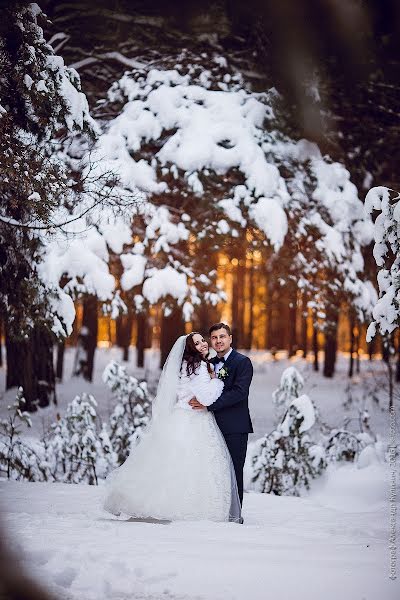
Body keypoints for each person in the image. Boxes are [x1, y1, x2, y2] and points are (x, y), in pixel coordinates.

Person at [102, 332, 241, 523]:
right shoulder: (198, 366)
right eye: (197, 343)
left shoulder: (186, 366)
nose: (203, 345)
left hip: (180, 416)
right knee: (195, 465)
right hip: (194, 419)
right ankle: (192, 509)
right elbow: (207, 397)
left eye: (202, 341)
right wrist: (217, 380)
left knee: (173, 464)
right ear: (190, 349)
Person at [189, 323, 253, 509]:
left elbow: (239, 392)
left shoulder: (242, 362)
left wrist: (208, 405)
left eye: (222, 336)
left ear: (230, 338)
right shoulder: (207, 363)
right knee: (214, 471)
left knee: (234, 471)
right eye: (214, 338)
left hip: (235, 427)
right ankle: (216, 510)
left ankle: (235, 514)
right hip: (210, 427)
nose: (218, 341)